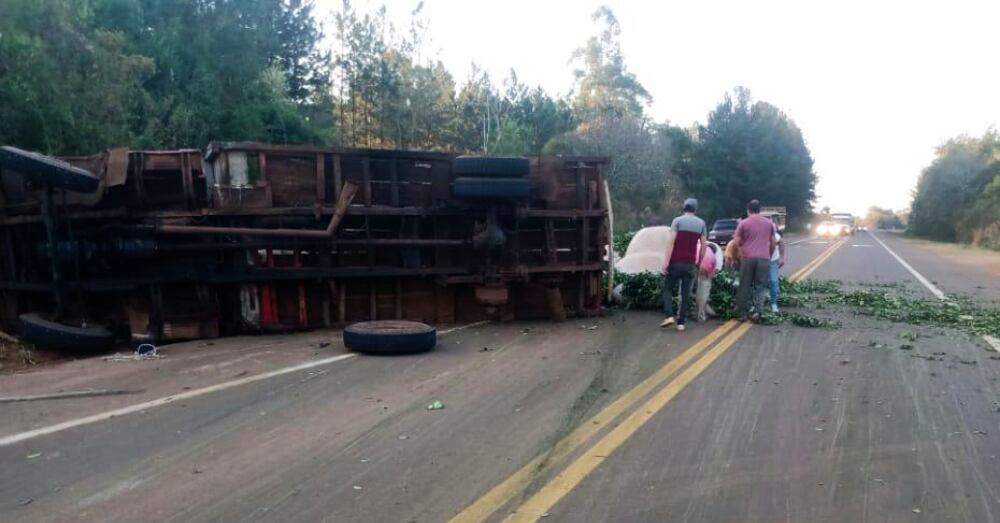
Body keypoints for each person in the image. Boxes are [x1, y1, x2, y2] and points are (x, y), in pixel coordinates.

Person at [661, 198, 707, 331]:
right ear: (695, 209)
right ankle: (681, 323)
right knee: (686, 293)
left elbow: (671, 243)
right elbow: (704, 246)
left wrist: (666, 262)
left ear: (684, 208)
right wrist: (699, 262)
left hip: (675, 262)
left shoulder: (677, 221)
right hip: (690, 263)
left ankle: (669, 315)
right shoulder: (701, 224)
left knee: (668, 289)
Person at [733, 200, 775, 322]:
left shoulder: (744, 223)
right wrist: (769, 255)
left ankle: (742, 314)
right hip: (764, 258)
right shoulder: (768, 223)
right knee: (760, 286)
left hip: (748, 258)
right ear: (759, 210)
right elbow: (773, 242)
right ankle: (758, 312)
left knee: (744, 285)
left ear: (748, 210)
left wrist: (736, 257)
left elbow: (736, 243)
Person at [695, 242, 722, 322]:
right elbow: (711, 275)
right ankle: (701, 316)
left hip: (692, 265)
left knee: (697, 290)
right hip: (704, 269)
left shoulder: (699, 246)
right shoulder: (713, 257)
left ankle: (687, 313)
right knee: (704, 292)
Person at [769, 221, 786, 313]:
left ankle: (773, 304)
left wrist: (782, 258)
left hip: (773, 261)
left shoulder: (775, 235)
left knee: (773, 281)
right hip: (761, 261)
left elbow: (781, 243)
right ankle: (755, 304)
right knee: (757, 283)